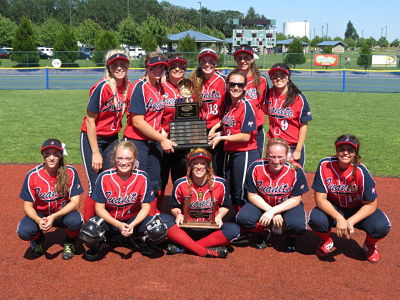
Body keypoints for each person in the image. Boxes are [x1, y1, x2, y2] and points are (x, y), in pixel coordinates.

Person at [308, 134, 391, 262]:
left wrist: (350, 221)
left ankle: (369, 245)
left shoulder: (361, 172)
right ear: (336, 150)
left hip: (357, 209)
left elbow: (371, 204)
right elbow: (320, 199)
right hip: (335, 208)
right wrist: (339, 218)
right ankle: (326, 240)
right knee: (315, 219)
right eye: (341, 149)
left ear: (355, 153)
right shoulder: (325, 165)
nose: (345, 153)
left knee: (381, 226)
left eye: (350, 150)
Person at [83, 141, 170, 260]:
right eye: (120, 158)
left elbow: (146, 207)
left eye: (128, 158)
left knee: (158, 229)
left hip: (133, 220)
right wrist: (118, 225)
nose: (124, 162)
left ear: (134, 160)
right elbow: (99, 208)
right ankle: (101, 243)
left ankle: (138, 240)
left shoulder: (142, 177)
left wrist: (132, 225)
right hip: (111, 221)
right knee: (89, 230)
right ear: (114, 159)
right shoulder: (104, 177)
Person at [80, 49, 131, 221]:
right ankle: (88, 228)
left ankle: (106, 225)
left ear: (128, 65)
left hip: (112, 139)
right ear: (109, 67)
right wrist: (95, 152)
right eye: (114, 64)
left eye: (122, 64)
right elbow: (90, 120)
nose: (119, 67)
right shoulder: (102, 88)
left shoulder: (126, 87)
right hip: (93, 138)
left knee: (109, 182)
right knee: (95, 185)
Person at [123, 52, 175, 212]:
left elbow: (155, 116)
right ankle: (131, 219)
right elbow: (138, 121)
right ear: (147, 66)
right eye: (154, 66)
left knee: (154, 183)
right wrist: (162, 138)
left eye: (161, 67)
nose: (158, 70)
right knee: (136, 183)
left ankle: (151, 218)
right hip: (137, 142)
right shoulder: (140, 87)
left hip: (153, 141)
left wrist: (160, 133)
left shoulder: (159, 87)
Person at [236, 138, 309, 251]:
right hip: (262, 203)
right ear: (267, 155)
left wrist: (273, 211)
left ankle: (290, 237)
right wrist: (272, 211)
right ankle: (263, 232)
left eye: (280, 157)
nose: (276, 161)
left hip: (287, 205)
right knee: (243, 218)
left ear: (286, 156)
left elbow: (296, 199)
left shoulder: (296, 170)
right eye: (272, 157)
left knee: (297, 225)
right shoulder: (256, 167)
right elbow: (252, 195)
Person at [165, 148, 240, 258]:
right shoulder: (180, 183)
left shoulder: (220, 183)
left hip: (210, 229)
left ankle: (184, 248)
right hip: (187, 229)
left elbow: (225, 205)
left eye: (203, 163)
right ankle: (205, 250)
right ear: (190, 167)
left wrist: (219, 216)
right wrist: (178, 214)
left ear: (208, 167)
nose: (199, 167)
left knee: (234, 230)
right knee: (162, 221)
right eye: (195, 163)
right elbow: (174, 206)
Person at [17, 139, 83, 260]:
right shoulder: (33, 175)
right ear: (43, 156)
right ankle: (38, 240)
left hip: (61, 213)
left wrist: (53, 217)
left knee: (76, 221)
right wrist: (38, 219)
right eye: (47, 154)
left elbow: (75, 203)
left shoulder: (70, 172)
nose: (51, 158)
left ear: (61, 155)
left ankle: (70, 241)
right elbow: (27, 206)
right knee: (25, 231)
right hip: (40, 213)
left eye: (55, 154)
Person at [208, 70, 259, 209]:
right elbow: (229, 125)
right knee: (231, 186)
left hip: (245, 152)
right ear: (227, 85)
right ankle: (238, 217)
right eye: (232, 84)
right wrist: (216, 131)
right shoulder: (231, 104)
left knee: (241, 190)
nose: (236, 88)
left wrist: (222, 137)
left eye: (240, 85)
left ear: (245, 87)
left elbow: (246, 136)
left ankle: (247, 224)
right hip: (232, 151)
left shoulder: (246, 105)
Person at [263, 63, 312, 167]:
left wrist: (298, 150)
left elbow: (304, 125)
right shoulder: (268, 94)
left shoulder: (298, 97)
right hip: (274, 145)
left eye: (282, 76)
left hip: (292, 146)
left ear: (288, 78)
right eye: (275, 76)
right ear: (271, 78)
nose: (278, 79)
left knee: (293, 178)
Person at [158, 55, 189, 211]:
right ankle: (156, 212)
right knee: (160, 179)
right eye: (173, 66)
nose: (177, 69)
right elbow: (153, 114)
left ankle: (181, 210)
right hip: (162, 139)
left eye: (181, 66)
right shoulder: (160, 87)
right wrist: (161, 134)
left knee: (181, 178)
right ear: (167, 69)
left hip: (182, 141)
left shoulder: (190, 87)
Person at [189, 48, 226, 176]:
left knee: (216, 166)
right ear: (199, 63)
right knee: (200, 164)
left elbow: (230, 110)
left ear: (216, 63)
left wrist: (217, 129)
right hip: (199, 129)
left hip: (217, 129)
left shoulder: (223, 80)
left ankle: (218, 194)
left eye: (211, 61)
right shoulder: (195, 81)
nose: (207, 64)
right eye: (203, 61)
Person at [233, 45, 268, 157]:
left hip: (256, 130)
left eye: (246, 57)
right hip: (235, 129)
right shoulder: (231, 79)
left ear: (252, 59)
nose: (243, 61)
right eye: (239, 58)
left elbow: (264, 105)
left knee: (255, 162)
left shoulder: (261, 80)